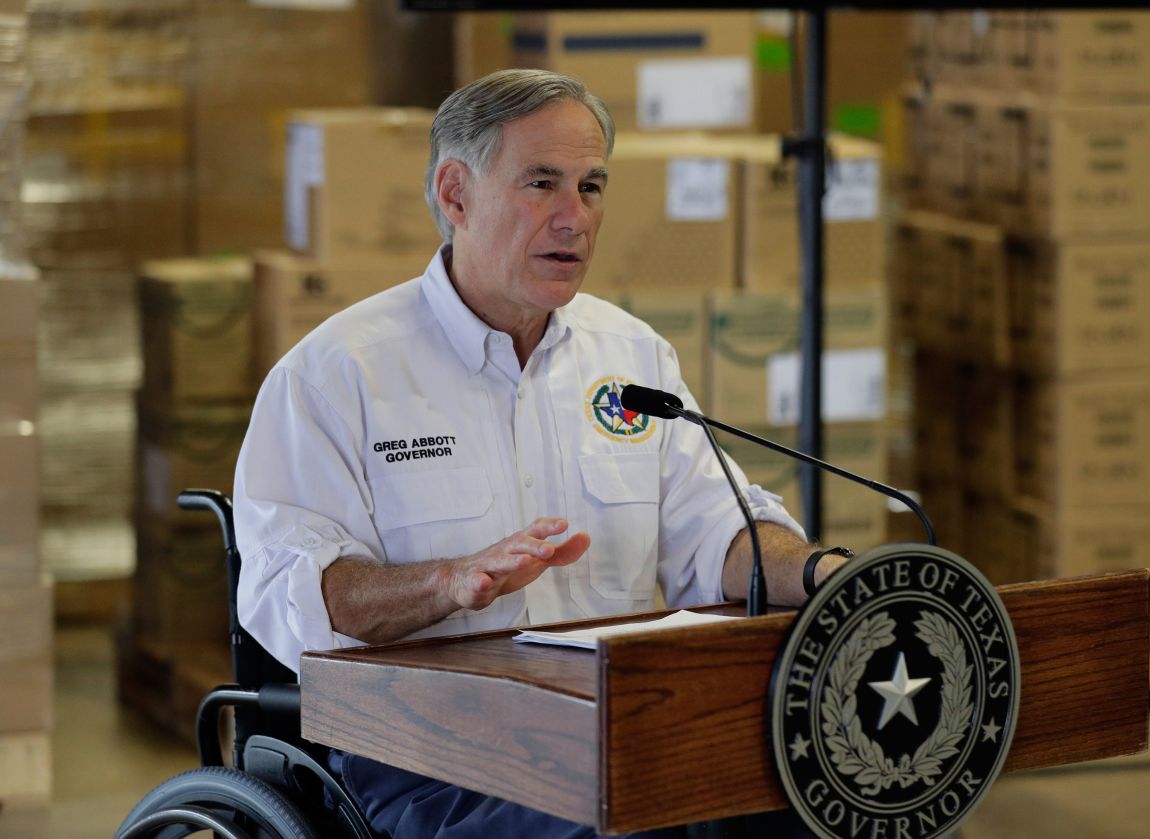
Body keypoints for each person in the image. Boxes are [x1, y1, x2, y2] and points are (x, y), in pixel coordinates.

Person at [233, 69, 846, 839]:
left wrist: (830, 574)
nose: (575, 217)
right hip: (430, 756)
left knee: (845, 797)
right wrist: (452, 583)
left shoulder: (633, 357)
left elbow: (719, 533)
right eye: (542, 183)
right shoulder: (335, 374)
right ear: (456, 195)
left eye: (591, 187)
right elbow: (297, 594)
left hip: (627, 729)